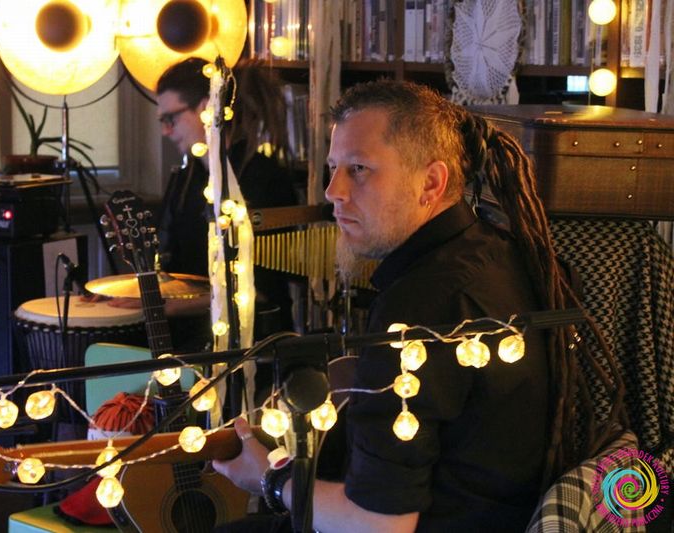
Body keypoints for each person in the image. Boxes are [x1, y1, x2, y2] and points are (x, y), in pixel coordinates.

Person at [213, 80, 625, 532]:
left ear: (431, 182)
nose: (333, 191)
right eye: (333, 168)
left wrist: (271, 479)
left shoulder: (419, 309)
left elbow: (379, 525)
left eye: (359, 169)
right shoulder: (505, 253)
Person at [154, 57, 299, 336]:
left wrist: (169, 308)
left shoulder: (262, 177)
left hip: (253, 338)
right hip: (189, 335)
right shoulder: (186, 178)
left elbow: (261, 288)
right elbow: (171, 263)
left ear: (206, 107)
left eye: (170, 119)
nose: (165, 131)